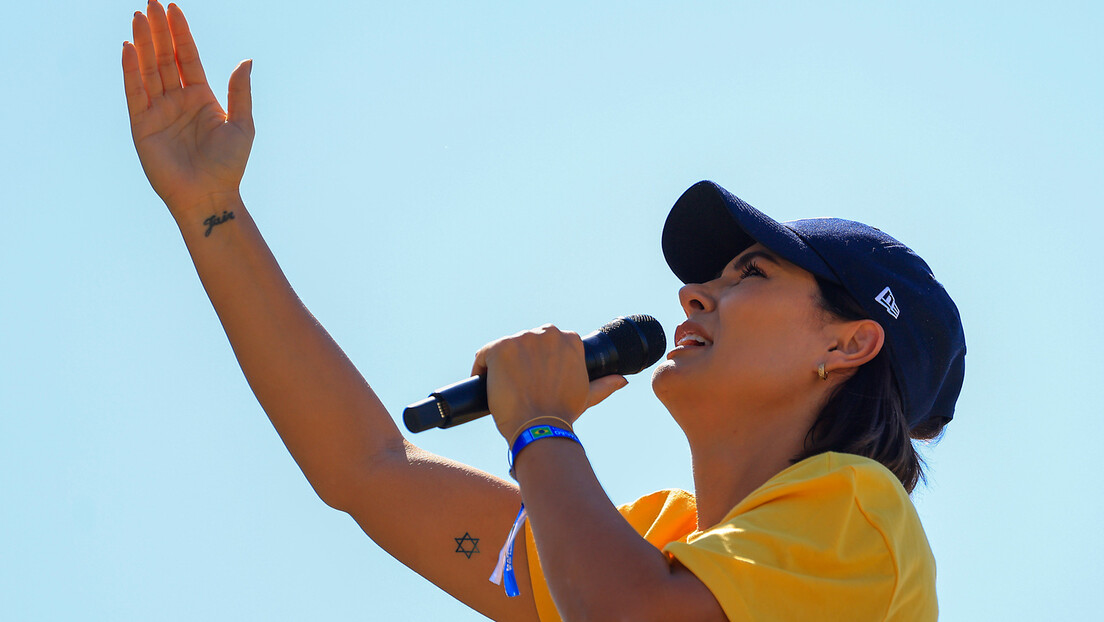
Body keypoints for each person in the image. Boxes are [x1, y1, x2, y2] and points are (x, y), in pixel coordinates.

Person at [122, 3, 965, 621]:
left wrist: (542, 431)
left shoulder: (860, 513)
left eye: (752, 273)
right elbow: (369, 471)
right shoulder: (656, 540)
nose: (695, 292)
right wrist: (212, 211)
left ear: (850, 343)